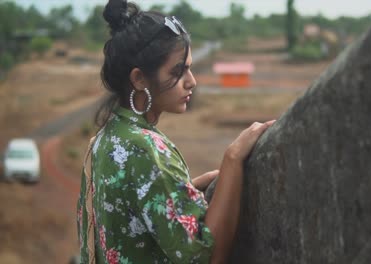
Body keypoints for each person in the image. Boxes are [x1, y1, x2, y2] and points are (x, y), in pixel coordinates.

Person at [76, 0, 275, 263]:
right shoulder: (147, 150)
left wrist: (181, 191)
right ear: (139, 79)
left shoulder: (103, 141)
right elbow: (205, 257)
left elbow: (129, 224)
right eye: (178, 71)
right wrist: (233, 159)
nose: (191, 81)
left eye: (189, 68)